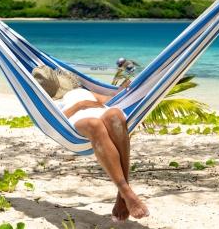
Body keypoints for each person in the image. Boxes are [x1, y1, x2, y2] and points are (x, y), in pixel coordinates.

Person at [32, 66, 150, 222]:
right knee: (95, 124)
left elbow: (109, 101)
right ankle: (126, 192)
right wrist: (80, 106)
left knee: (115, 114)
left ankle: (123, 195)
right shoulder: (48, 101)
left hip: (101, 112)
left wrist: (125, 90)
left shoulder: (80, 91)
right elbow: (54, 122)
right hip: (76, 121)